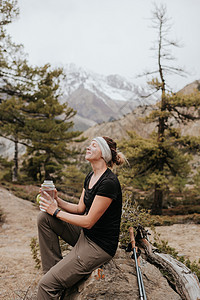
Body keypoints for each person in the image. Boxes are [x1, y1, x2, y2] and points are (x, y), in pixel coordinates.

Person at [37, 136, 125, 299]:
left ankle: (51, 283)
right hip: (85, 235)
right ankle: (54, 275)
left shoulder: (109, 182)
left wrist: (55, 211)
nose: (88, 147)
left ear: (103, 154)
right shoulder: (90, 176)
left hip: (99, 246)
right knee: (44, 218)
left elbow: (88, 221)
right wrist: (57, 200)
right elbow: (79, 209)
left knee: (44, 286)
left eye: (93, 145)